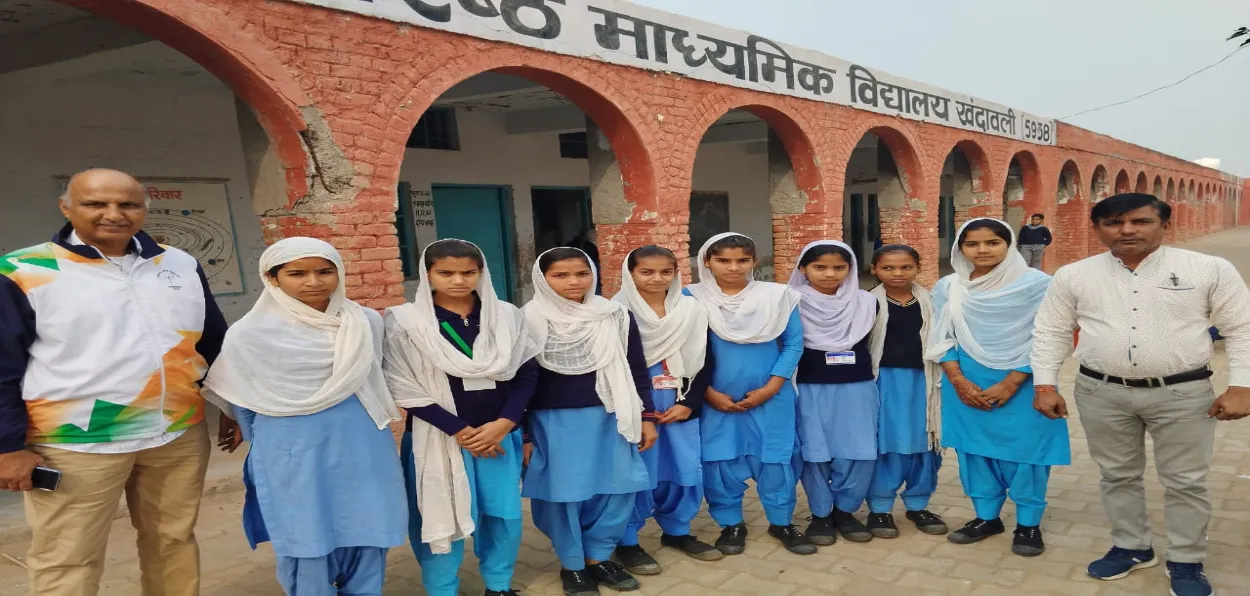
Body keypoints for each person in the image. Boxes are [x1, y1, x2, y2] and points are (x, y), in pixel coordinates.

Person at [0, 169, 227, 596]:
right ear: (67, 208)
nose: (114, 215)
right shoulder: (23, 271)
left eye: (128, 204)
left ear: (144, 208)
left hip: (176, 435)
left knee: (173, 541)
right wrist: (6, 446)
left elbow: (213, 341)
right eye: (95, 204)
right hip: (75, 444)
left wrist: (232, 405)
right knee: (67, 558)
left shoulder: (178, 263)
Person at [1031, 193, 1250, 596]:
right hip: (1100, 391)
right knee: (1117, 474)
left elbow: (1241, 328)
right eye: (1114, 222)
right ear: (1097, 228)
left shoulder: (1207, 269)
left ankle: (1185, 559)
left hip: (1183, 393)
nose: (1127, 230)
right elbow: (1051, 330)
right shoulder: (1073, 275)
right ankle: (1132, 547)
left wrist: (1242, 385)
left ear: (1163, 223)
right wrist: (1045, 383)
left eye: (1140, 221)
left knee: (1186, 480)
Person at [204, 237, 406, 596]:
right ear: (273, 278)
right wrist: (243, 426)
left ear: (339, 273)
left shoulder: (365, 322)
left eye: (325, 271)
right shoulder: (250, 333)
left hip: (360, 438)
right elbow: (241, 391)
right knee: (306, 528)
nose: (313, 282)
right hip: (289, 443)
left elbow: (380, 373)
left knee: (367, 521)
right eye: (297, 273)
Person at [383, 239, 540, 596]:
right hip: (438, 436)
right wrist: (460, 430)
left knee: (503, 516)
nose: (458, 280)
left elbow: (526, 373)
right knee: (437, 515)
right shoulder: (406, 322)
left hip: (499, 436)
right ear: (428, 275)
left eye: (468, 272)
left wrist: (505, 423)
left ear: (481, 273)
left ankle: (499, 585)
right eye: (446, 272)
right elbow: (401, 384)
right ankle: (442, 589)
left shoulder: (506, 316)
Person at [927, 218, 1069, 557]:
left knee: (1027, 455)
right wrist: (959, 382)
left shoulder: (1039, 285)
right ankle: (986, 518)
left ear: (1009, 245)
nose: (982, 250)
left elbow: (1050, 336)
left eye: (992, 242)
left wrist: (1012, 381)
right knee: (974, 452)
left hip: (1025, 380)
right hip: (965, 380)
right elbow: (940, 337)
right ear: (960, 248)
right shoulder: (949, 286)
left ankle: (1028, 524)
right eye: (972, 244)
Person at [521, 247, 658, 596]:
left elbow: (635, 367)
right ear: (543, 278)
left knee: (618, 488)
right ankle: (572, 565)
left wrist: (646, 416)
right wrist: (522, 433)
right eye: (561, 275)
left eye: (582, 273)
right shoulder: (528, 319)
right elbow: (518, 380)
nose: (573, 282)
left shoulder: (613, 314)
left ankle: (597, 558)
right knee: (562, 494)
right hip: (554, 422)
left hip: (614, 415)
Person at [685, 233, 815, 556]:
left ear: (754, 262)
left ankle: (781, 521)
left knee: (776, 459)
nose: (733, 267)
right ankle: (731, 525)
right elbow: (685, 350)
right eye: (723, 261)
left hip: (772, 396)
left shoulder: (778, 296)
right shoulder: (692, 298)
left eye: (742, 260)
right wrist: (708, 394)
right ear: (707, 262)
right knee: (720, 461)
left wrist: (772, 386)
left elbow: (794, 344)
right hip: (716, 400)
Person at [610, 246, 723, 575]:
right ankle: (627, 541)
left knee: (683, 469)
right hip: (634, 404)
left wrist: (689, 403)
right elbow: (613, 366)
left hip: (679, 402)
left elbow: (705, 361)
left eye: (665, 271)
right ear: (630, 273)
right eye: (646, 272)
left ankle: (677, 532)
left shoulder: (691, 309)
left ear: (676, 273)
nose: (656, 278)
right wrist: (641, 411)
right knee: (637, 471)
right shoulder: (614, 311)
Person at [787, 241, 880, 545]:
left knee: (860, 451)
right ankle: (821, 514)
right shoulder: (788, 302)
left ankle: (846, 511)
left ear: (850, 269)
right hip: (810, 388)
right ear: (803, 268)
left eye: (839, 267)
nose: (830, 274)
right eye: (819, 267)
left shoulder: (866, 302)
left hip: (858, 388)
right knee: (815, 452)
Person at [865, 245, 948, 538]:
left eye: (905, 267)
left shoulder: (934, 302)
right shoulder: (866, 303)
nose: (897, 273)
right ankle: (880, 508)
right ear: (874, 269)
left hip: (926, 383)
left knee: (927, 443)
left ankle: (918, 503)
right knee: (886, 443)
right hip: (883, 382)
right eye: (888, 268)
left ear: (918, 267)